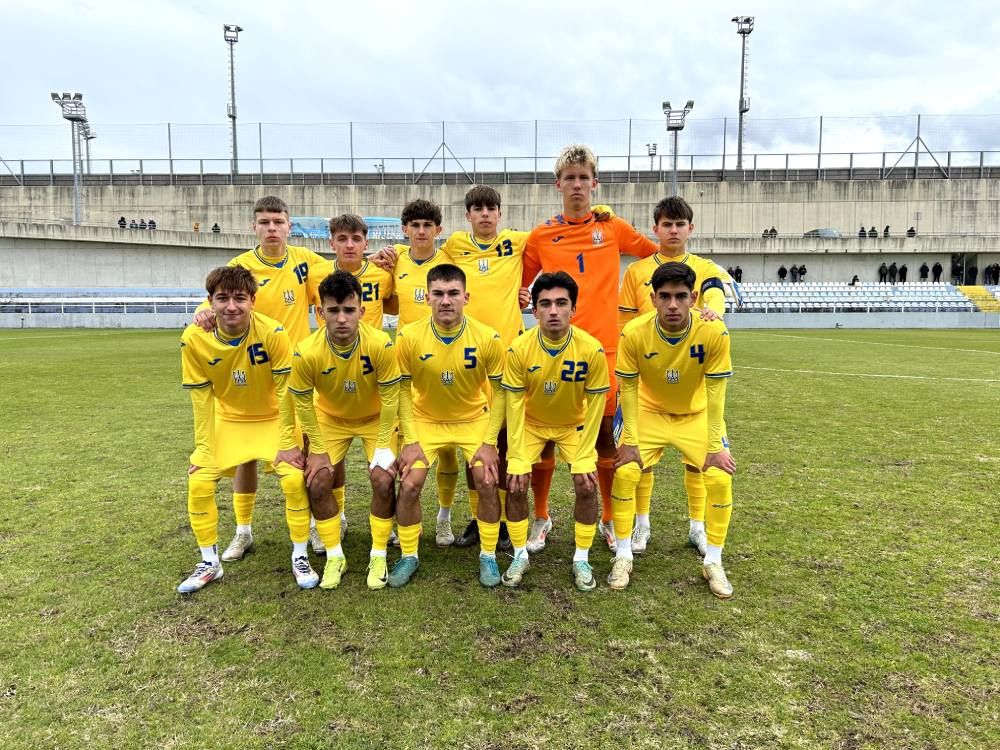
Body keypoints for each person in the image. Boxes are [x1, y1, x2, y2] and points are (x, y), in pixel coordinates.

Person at [521, 144, 658, 554]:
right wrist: (524, 301)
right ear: (557, 184)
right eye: (570, 178)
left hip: (606, 353)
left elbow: (653, 256)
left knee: (605, 440)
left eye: (584, 178)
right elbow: (520, 283)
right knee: (544, 437)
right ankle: (542, 517)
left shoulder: (611, 227)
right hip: (550, 353)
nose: (577, 185)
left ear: (594, 184)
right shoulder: (541, 235)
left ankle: (609, 519)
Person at [192, 196, 335, 560]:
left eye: (278, 221)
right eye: (264, 222)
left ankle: (316, 528)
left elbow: (345, 271)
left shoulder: (306, 261)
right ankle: (243, 531)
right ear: (254, 227)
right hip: (252, 371)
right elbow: (216, 301)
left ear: (290, 226)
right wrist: (201, 312)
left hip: (297, 373)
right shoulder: (241, 265)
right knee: (245, 458)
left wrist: (386, 257)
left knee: (300, 454)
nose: (272, 228)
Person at [177, 265, 313, 593]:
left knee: (293, 479)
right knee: (198, 481)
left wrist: (287, 443)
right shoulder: (194, 338)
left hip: (272, 419)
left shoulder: (273, 333)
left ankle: (300, 555)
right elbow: (202, 401)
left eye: (239, 298)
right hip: (229, 420)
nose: (231, 306)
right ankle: (210, 562)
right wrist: (204, 449)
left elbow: (285, 391)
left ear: (253, 300)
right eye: (222, 299)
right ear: (209, 302)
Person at [618, 196, 734, 556]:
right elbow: (624, 322)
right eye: (666, 224)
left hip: (689, 378)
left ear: (690, 229)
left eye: (679, 224)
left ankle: (697, 526)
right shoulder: (637, 272)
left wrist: (713, 313)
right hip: (647, 378)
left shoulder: (704, 267)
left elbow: (714, 295)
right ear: (655, 229)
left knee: (697, 463)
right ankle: (642, 524)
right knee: (638, 460)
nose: (673, 230)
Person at [611, 262, 736, 596]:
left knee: (719, 477)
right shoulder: (635, 332)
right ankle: (623, 555)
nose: (672, 305)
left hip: (695, 414)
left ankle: (713, 561)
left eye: (681, 297)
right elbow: (628, 389)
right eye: (664, 296)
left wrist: (714, 446)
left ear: (694, 298)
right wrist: (631, 441)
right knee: (625, 472)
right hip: (649, 412)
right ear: (652, 298)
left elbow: (716, 392)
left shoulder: (713, 331)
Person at [393, 263, 506, 588]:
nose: (446, 301)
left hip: (472, 420)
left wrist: (488, 441)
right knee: (411, 484)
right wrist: (410, 439)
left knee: (485, 480)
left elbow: (499, 392)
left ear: (466, 297)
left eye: (453, 293)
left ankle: (487, 554)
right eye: (439, 294)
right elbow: (401, 389)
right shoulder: (410, 336)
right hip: (425, 421)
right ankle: (410, 555)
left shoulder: (487, 337)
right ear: (427, 297)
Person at [288, 271, 401, 590]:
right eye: (333, 310)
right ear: (319, 312)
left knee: (382, 478)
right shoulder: (307, 351)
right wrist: (318, 449)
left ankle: (378, 553)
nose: (341, 319)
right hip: (330, 419)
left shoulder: (380, 343)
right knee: (318, 481)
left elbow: (392, 395)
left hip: (375, 418)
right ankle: (336, 555)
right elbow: (301, 400)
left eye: (349, 310)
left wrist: (382, 444)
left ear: (362, 312)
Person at [503, 272, 609, 590]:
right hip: (532, 425)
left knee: (586, 484)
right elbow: (514, 406)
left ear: (573, 308)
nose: (553, 310)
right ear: (533, 310)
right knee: (516, 483)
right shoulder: (519, 348)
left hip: (574, 425)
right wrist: (517, 456)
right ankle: (520, 552)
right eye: (545, 303)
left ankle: (581, 557)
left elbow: (594, 406)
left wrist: (586, 456)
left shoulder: (591, 349)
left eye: (561, 303)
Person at [327, 214, 395, 330]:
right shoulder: (316, 274)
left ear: (366, 244)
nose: (349, 245)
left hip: (371, 347)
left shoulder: (383, 275)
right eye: (342, 239)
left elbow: (396, 308)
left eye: (356, 239)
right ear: (332, 243)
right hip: (331, 347)